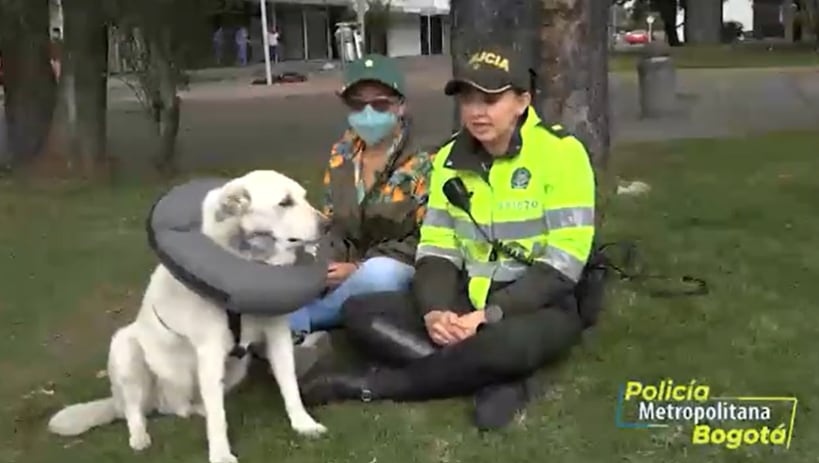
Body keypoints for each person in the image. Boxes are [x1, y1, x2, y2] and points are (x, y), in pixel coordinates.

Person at [298, 45, 598, 430]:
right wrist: (435, 311)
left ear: (522, 102)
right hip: (465, 295)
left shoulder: (562, 154)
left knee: (505, 343)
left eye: (490, 100)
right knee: (360, 312)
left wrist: (488, 316)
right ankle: (492, 378)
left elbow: (564, 263)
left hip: (536, 303)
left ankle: (372, 386)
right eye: (468, 99)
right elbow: (436, 250)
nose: (477, 111)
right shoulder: (448, 159)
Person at [287, 54, 435, 373]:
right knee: (290, 252)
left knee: (379, 275)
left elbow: (429, 238)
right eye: (357, 104)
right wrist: (324, 263)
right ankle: (294, 328)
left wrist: (356, 269)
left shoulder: (426, 162)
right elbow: (333, 222)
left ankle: (299, 322)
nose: (368, 114)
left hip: (401, 267)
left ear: (400, 106)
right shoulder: (341, 153)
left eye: (380, 105)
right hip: (346, 263)